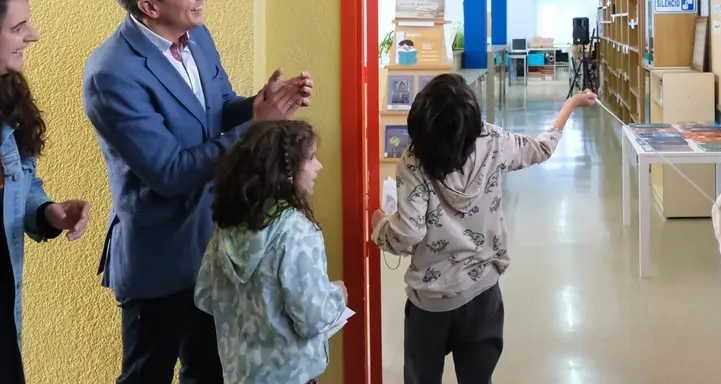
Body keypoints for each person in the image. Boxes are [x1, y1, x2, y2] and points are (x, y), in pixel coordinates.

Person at [83, 0, 313, 384]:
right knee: (146, 375)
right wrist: (254, 127)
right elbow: (168, 173)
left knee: (209, 371)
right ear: (149, 6)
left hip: (218, 245)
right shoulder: (110, 74)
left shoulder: (197, 36)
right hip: (160, 257)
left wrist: (257, 106)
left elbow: (219, 107)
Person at [371, 74, 597, 384]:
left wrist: (378, 225)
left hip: (430, 304)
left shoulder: (413, 163)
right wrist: (570, 105)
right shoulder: (492, 141)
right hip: (483, 295)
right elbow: (541, 149)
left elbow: (406, 236)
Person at [195, 120, 348, 384]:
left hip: (239, 375)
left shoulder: (227, 227)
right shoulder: (297, 231)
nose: (318, 167)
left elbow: (205, 296)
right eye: (311, 158)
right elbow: (312, 318)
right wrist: (336, 296)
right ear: (284, 171)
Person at [0, 0, 91, 383]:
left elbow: (24, 182)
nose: (31, 37)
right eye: (18, 28)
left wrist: (47, 211)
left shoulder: (11, 102)